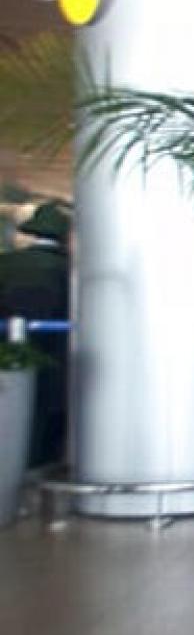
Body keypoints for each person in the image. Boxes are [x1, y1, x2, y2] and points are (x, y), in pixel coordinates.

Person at [0, 200, 71, 467]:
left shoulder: (6, 264)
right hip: (58, 361)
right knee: (47, 423)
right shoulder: (70, 270)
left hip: (7, 359)